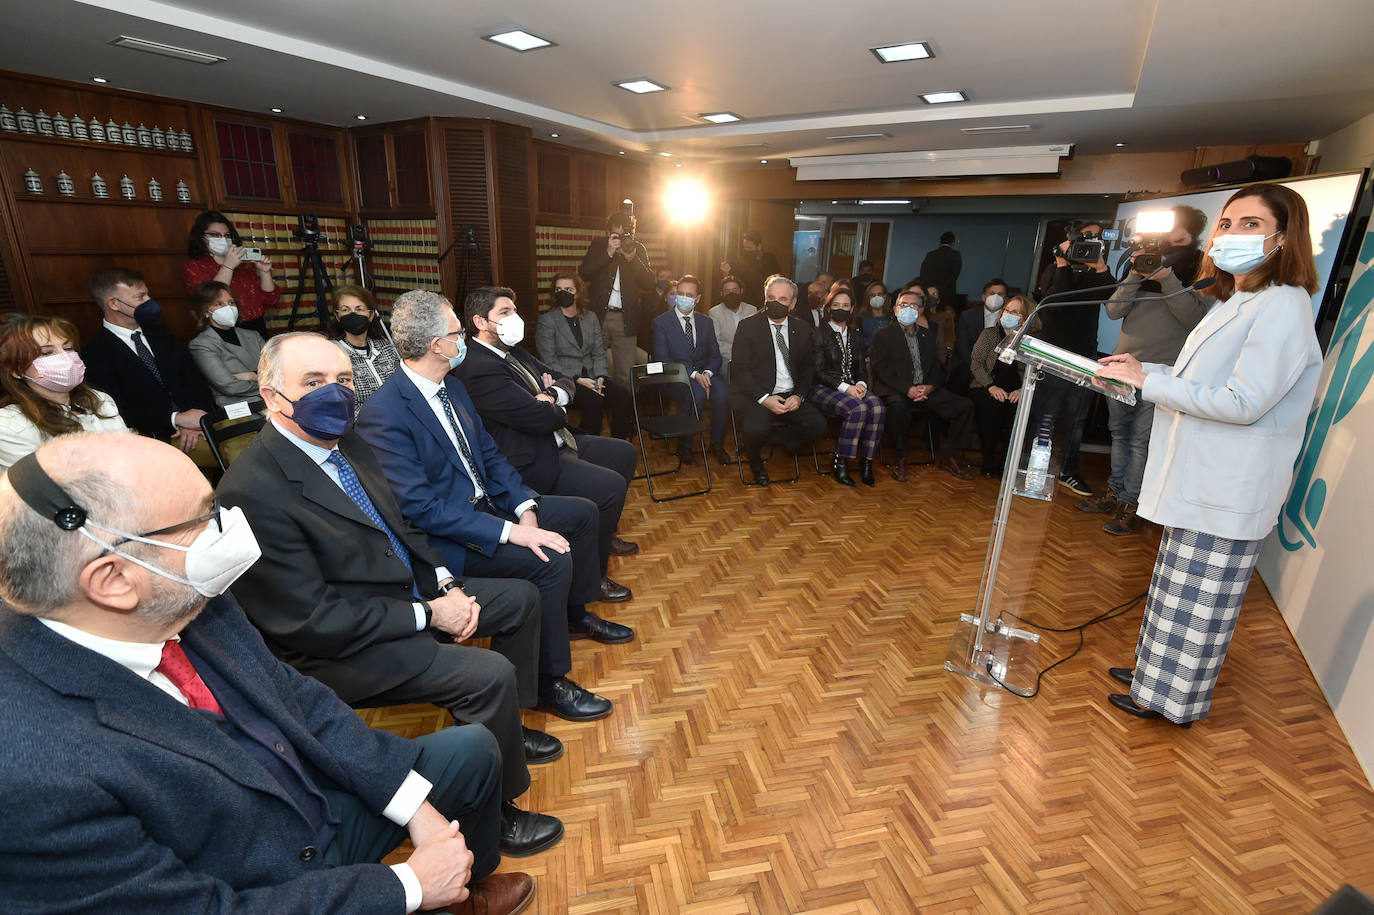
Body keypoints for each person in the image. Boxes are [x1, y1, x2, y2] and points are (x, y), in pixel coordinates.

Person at [0, 432, 533, 914]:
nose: (227, 530)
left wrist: (417, 808)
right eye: (204, 518)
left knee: (472, 750)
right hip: (259, 882)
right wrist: (407, 887)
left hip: (308, 800)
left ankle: (462, 895)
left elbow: (297, 699)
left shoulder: (183, 594)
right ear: (113, 580)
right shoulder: (34, 774)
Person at [218, 331, 563, 858]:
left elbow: (401, 528)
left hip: (410, 593)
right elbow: (310, 619)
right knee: (486, 674)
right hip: (336, 648)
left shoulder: (347, 442)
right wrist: (430, 615)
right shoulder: (251, 490)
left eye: (343, 380)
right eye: (312, 383)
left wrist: (446, 582)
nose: (333, 394)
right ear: (270, 395)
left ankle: (506, 730)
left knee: (519, 599)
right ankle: (497, 815)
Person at [1096, 182, 1322, 728]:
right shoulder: (1239, 300)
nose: (1230, 234)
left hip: (1230, 485)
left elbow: (1243, 402)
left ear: (1284, 238)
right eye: (1226, 223)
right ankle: (1154, 672)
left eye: (1250, 225)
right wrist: (1144, 371)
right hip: (1199, 478)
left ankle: (1173, 702)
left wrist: (1149, 386)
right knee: (1175, 589)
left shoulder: (1284, 307)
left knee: (1202, 606)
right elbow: (1199, 379)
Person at [354, 292, 621, 722]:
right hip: (450, 536)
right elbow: (421, 508)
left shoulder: (452, 386)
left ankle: (575, 615)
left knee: (581, 513)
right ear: (436, 345)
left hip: (491, 507)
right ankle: (547, 682)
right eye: (457, 332)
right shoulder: (384, 413)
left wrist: (525, 506)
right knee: (549, 562)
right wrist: (515, 532)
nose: (464, 339)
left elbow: (491, 455)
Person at [459, 285, 641, 596]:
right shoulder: (479, 367)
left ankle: (603, 533)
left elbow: (561, 377)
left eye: (514, 311)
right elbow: (540, 417)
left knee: (623, 452)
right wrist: (551, 404)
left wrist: (550, 395)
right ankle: (593, 579)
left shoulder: (513, 350)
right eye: (505, 312)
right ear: (480, 322)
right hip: (531, 457)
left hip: (556, 438)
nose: (515, 317)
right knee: (609, 487)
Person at [1080, 210, 1209, 535]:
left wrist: (1167, 278)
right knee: (1120, 435)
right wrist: (1136, 273)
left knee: (1141, 441)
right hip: (1123, 368)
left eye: (1176, 233)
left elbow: (1193, 319)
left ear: (1189, 235)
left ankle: (1131, 503)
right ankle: (1115, 492)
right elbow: (1114, 310)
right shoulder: (1141, 264)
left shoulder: (1199, 269)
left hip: (1161, 374)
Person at [81, 267, 216, 465]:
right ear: (114, 304)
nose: (149, 301)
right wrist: (176, 419)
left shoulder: (164, 336)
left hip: (198, 428)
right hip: (151, 438)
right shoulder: (95, 352)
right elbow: (115, 408)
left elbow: (196, 382)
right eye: (141, 297)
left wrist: (196, 422)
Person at [1035, 221, 1116, 497]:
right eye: (1085, 236)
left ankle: (1068, 472)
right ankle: (1036, 465)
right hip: (1053, 353)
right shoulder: (1055, 268)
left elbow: (1108, 295)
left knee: (1076, 418)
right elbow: (1054, 306)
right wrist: (1061, 263)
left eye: (1094, 237)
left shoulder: (1097, 272)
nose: (1088, 241)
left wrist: (1100, 267)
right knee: (1045, 413)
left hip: (1083, 354)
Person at [729, 275, 826, 485]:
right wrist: (764, 398)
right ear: (764, 299)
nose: (775, 303)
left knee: (818, 425)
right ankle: (755, 461)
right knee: (756, 428)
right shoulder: (748, 326)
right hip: (759, 393)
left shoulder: (801, 329)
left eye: (782, 299)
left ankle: (771, 442)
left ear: (792, 304)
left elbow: (808, 367)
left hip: (790, 393)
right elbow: (740, 369)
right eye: (771, 297)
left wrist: (799, 396)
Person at [870, 288, 975, 482]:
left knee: (964, 406)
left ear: (920, 310)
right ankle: (900, 459)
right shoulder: (882, 335)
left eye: (914, 306)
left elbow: (938, 366)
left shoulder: (928, 335)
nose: (908, 309)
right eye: (903, 305)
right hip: (898, 391)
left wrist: (930, 387)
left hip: (926, 389)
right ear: (894, 309)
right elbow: (880, 369)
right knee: (899, 408)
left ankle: (950, 456)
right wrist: (907, 389)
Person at [0, 314, 126, 471]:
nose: (65, 358)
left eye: (68, 348)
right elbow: (42, 487)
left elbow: (128, 454)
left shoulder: (99, 399)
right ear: (16, 370)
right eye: (46, 353)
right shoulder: (9, 424)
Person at [535, 272, 633, 438]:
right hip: (566, 379)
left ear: (578, 292)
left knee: (622, 396)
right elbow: (549, 360)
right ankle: (587, 446)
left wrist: (601, 376)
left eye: (568, 289)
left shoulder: (590, 317)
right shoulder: (547, 320)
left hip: (594, 375)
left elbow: (599, 352)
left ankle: (618, 444)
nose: (562, 293)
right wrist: (577, 379)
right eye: (558, 289)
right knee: (594, 402)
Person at [651, 274, 734, 466]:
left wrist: (707, 374)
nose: (684, 298)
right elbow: (664, 360)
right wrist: (694, 375)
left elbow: (715, 355)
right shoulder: (661, 322)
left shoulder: (706, 322)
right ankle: (685, 445)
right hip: (676, 377)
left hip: (706, 373)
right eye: (680, 293)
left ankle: (716, 444)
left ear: (698, 299)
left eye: (689, 295)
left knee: (723, 393)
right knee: (697, 394)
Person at [810, 288, 886, 487]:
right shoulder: (818, 333)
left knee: (877, 406)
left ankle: (867, 462)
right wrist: (845, 387)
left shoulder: (856, 335)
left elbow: (861, 368)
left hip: (852, 386)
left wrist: (861, 385)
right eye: (835, 305)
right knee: (858, 408)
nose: (840, 309)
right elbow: (817, 371)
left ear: (852, 308)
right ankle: (840, 461)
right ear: (828, 308)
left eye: (845, 305)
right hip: (822, 388)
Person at [579, 209, 654, 389]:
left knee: (626, 373)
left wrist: (633, 259)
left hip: (625, 318)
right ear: (608, 232)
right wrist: (608, 253)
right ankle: (598, 408)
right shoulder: (598, 246)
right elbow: (584, 274)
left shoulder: (638, 249)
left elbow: (650, 283)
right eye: (616, 234)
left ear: (632, 232)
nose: (621, 239)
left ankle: (624, 414)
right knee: (595, 368)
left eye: (625, 234)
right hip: (598, 316)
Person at [181, 209, 280, 337]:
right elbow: (209, 299)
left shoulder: (243, 266)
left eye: (227, 235)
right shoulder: (194, 267)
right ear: (202, 237)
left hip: (257, 327)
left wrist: (264, 272)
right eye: (215, 235)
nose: (222, 239)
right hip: (223, 328)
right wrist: (228, 266)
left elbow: (270, 299)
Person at [968, 294, 1030, 478]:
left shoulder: (1028, 341)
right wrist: (991, 386)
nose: (1008, 315)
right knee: (991, 408)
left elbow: (1033, 372)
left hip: (1016, 390)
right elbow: (976, 364)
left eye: (1015, 312)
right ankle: (988, 460)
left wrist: (1022, 391)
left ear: (1024, 318)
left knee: (1017, 411)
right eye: (1006, 311)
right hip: (985, 385)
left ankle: (1005, 465)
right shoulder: (989, 334)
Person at [187, 281, 266, 406]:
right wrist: (266, 381)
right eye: (219, 304)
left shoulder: (253, 335)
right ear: (205, 311)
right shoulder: (201, 345)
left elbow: (277, 371)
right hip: (239, 408)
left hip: (272, 400)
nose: (228, 308)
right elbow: (230, 386)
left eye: (231, 302)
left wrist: (250, 376)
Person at [328, 284, 401, 416]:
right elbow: (342, 407)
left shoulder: (384, 346)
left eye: (359, 309)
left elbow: (403, 385)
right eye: (345, 310)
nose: (353, 314)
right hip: (365, 427)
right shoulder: (333, 354)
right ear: (338, 316)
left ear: (371, 315)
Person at [708, 274, 757, 381]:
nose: (731, 294)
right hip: (727, 359)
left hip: (750, 358)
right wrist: (738, 354)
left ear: (741, 291)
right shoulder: (714, 313)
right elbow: (717, 342)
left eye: (735, 290)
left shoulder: (752, 310)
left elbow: (756, 338)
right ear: (722, 293)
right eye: (727, 291)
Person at [956, 278, 1010, 373]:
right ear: (984, 297)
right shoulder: (967, 316)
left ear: (1006, 299)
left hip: (998, 369)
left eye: (1000, 294)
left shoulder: (1010, 319)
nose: (996, 297)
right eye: (992, 294)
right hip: (970, 366)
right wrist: (979, 369)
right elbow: (963, 347)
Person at [719, 230, 781, 303]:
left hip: (766, 301)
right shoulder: (741, 263)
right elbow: (734, 282)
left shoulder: (769, 260)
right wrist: (725, 273)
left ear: (759, 246)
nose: (747, 251)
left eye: (749, 248)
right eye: (745, 248)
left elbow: (776, 280)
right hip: (746, 303)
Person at [919, 231, 963, 309]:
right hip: (947, 292)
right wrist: (942, 289)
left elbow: (923, 274)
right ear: (953, 242)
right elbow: (954, 276)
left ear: (940, 241)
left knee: (929, 312)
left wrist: (929, 288)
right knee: (944, 316)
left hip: (930, 291)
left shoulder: (931, 255)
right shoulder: (955, 255)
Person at [859, 280, 890, 348]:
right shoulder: (860, 318)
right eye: (873, 295)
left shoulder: (892, 318)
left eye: (879, 294)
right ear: (868, 298)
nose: (876, 298)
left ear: (885, 296)